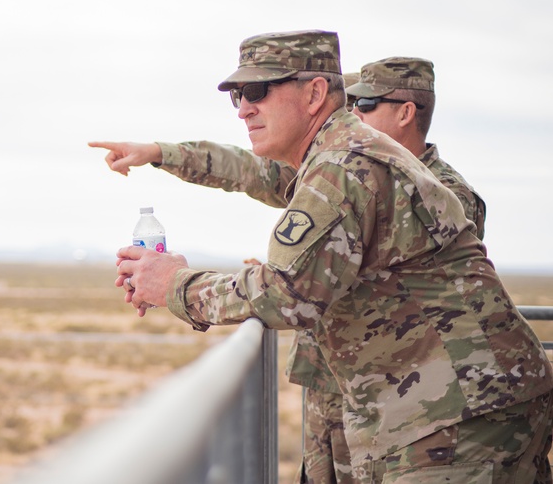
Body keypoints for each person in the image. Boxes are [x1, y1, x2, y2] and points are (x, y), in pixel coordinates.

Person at [103, 30, 553, 483]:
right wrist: (163, 154)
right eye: (237, 95)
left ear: (315, 93)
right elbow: (251, 176)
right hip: (462, 408)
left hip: (459, 418)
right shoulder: (342, 155)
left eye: (258, 91)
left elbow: (286, 295)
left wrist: (174, 283)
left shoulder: (342, 167)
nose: (243, 107)